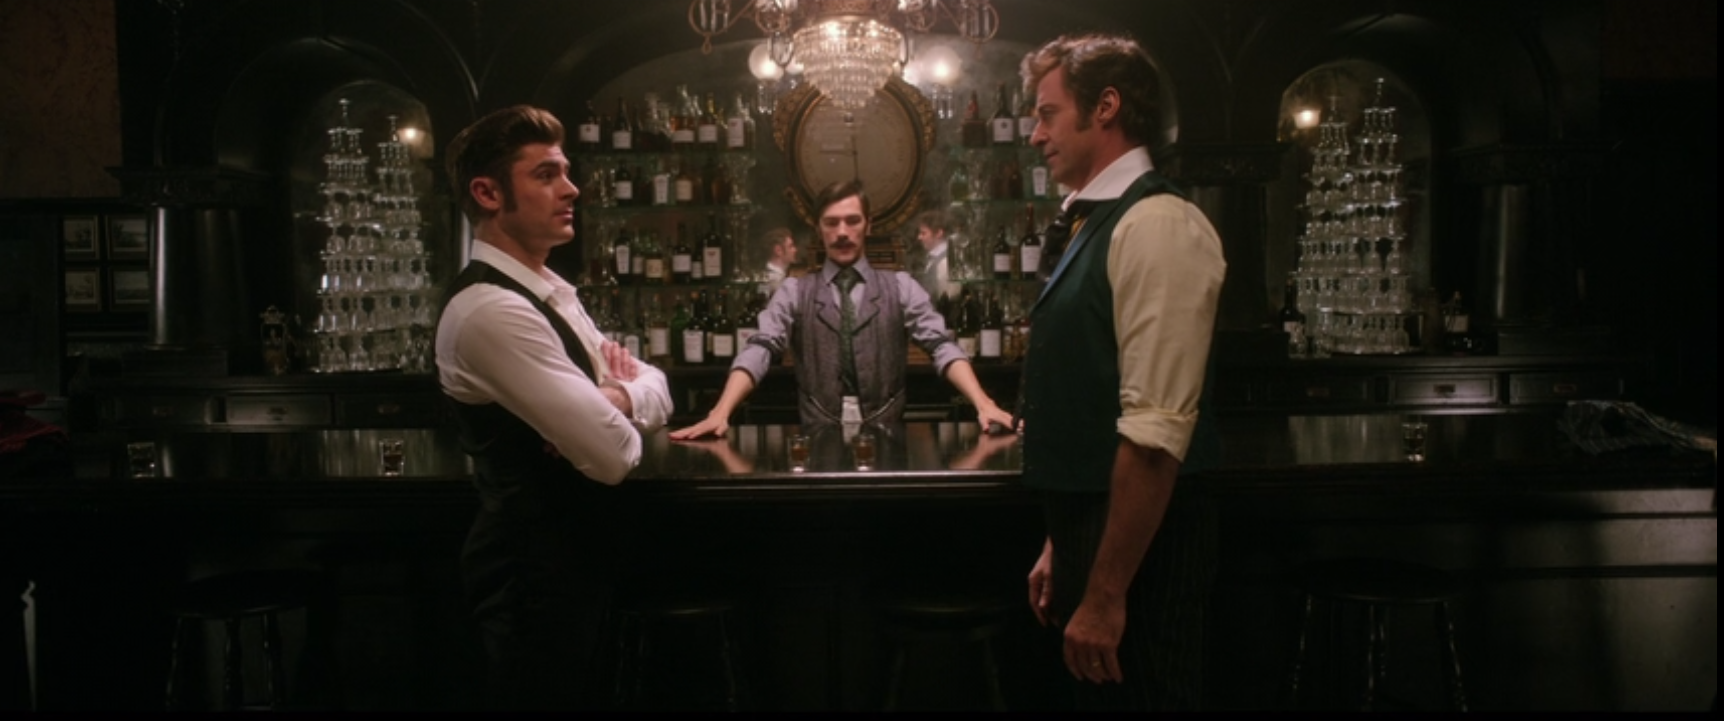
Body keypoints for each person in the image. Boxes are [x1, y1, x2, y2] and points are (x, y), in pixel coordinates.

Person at [435, 105, 672, 710]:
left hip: (573, 563)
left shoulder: (548, 292)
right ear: (488, 193)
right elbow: (613, 453)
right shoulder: (491, 310)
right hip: (530, 579)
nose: (572, 189)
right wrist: (616, 409)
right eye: (545, 175)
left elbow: (658, 387)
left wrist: (614, 396)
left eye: (565, 172)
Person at [1017, 34, 1226, 711]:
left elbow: (1155, 434)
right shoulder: (1095, 220)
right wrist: (1062, 542)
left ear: (1105, 107)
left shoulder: (1158, 223)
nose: (1035, 134)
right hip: (1098, 534)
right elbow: (1093, 404)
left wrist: (1106, 594)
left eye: (1048, 114)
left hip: (1146, 554)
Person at [670, 180, 1015, 438]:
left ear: (869, 224)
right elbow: (759, 348)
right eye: (831, 222)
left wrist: (982, 402)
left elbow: (942, 346)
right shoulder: (794, 290)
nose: (842, 232)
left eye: (852, 221)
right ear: (818, 229)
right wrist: (721, 411)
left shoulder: (900, 286)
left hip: (888, 444)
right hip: (817, 444)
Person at [909, 209, 962, 301]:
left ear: (938, 233)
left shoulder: (946, 262)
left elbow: (949, 299)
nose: (919, 237)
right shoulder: (932, 258)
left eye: (923, 233)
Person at [758, 226, 799, 296]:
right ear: (778, 250)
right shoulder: (769, 279)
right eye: (791, 246)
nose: (795, 250)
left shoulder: (779, 276)